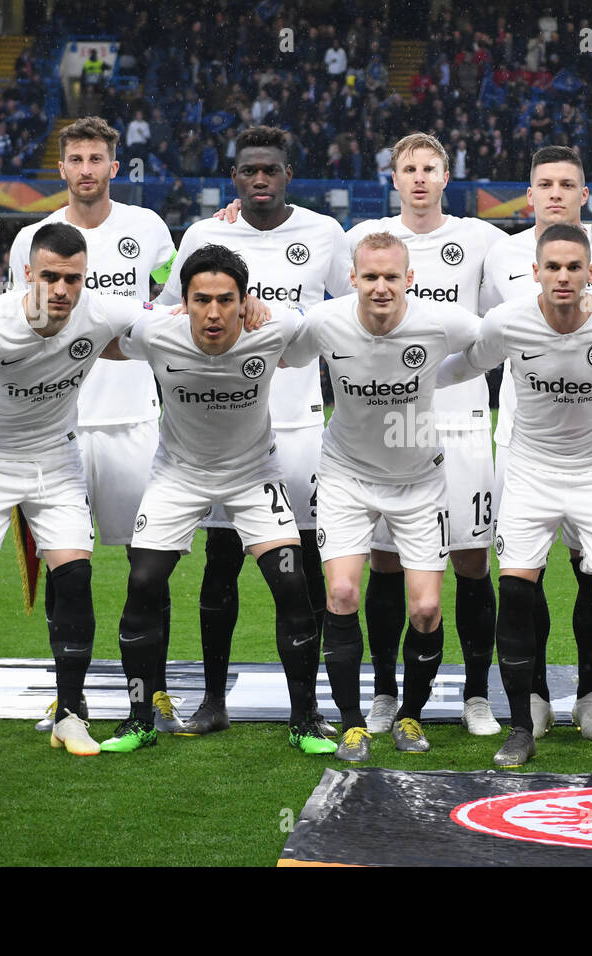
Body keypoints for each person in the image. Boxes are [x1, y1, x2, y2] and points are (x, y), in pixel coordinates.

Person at [442, 223, 592, 770]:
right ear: (535, 272)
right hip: (530, 474)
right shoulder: (507, 322)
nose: (562, 276)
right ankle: (519, 727)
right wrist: (408, 376)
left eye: (573, 267)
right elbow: (463, 365)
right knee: (516, 594)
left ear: (590, 273)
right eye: (552, 267)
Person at [97, 244, 334, 755]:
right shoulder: (158, 331)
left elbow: (324, 329)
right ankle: (139, 717)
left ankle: (303, 721)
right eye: (201, 299)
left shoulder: (273, 329)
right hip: (178, 476)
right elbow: (98, 338)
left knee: (292, 584)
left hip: (254, 474)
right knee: (142, 582)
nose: (213, 313)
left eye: (227, 300)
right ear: (183, 300)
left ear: (244, 300)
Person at [0, 223, 151, 758]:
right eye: (49, 276)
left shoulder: (101, 312)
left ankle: (70, 715)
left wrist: (251, 308)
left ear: (84, 278)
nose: (60, 289)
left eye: (71, 279)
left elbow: (177, 316)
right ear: (27, 273)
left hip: (55, 461)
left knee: (75, 578)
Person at [159, 125, 352, 736]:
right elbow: (170, 313)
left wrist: (285, 313)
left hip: (301, 429)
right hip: (224, 432)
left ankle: (309, 709)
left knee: (304, 571)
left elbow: (354, 310)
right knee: (220, 565)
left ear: (288, 174)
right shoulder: (205, 234)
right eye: (249, 171)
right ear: (235, 178)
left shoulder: (325, 233)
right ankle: (213, 701)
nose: (260, 180)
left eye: (271, 169)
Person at [8, 116, 181, 735]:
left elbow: (168, 311)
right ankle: (67, 699)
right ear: (62, 168)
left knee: (148, 565)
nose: (86, 169)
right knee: (64, 566)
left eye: (96, 158)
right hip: (59, 430)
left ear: (115, 165)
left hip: (135, 420)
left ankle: (154, 690)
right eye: (75, 158)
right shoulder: (32, 238)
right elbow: (21, 329)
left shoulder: (149, 231)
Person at [281, 233, 480, 762]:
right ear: (353, 279)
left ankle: (410, 717)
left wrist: (441, 376)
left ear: (409, 279)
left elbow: (493, 344)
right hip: (345, 475)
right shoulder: (327, 322)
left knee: (427, 609)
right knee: (342, 594)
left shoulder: (441, 321)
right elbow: (283, 350)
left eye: (392, 276)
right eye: (370, 277)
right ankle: (351, 724)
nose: (381, 286)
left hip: (418, 482)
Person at [481, 145, 592, 742]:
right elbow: (475, 333)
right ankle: (530, 700)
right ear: (529, 195)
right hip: (522, 439)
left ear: (585, 195)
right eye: (544, 183)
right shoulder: (496, 251)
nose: (555, 192)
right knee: (524, 574)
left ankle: (590, 692)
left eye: (567, 184)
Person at [344, 132, 507, 738]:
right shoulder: (365, 240)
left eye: (428, 168)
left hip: (463, 422)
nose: (418, 178)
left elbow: (500, 317)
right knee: (386, 563)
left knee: (470, 561)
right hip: (394, 421)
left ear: (446, 175)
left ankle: (475, 695)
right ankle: (386, 691)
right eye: (407, 168)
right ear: (393, 178)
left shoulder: (480, 239)